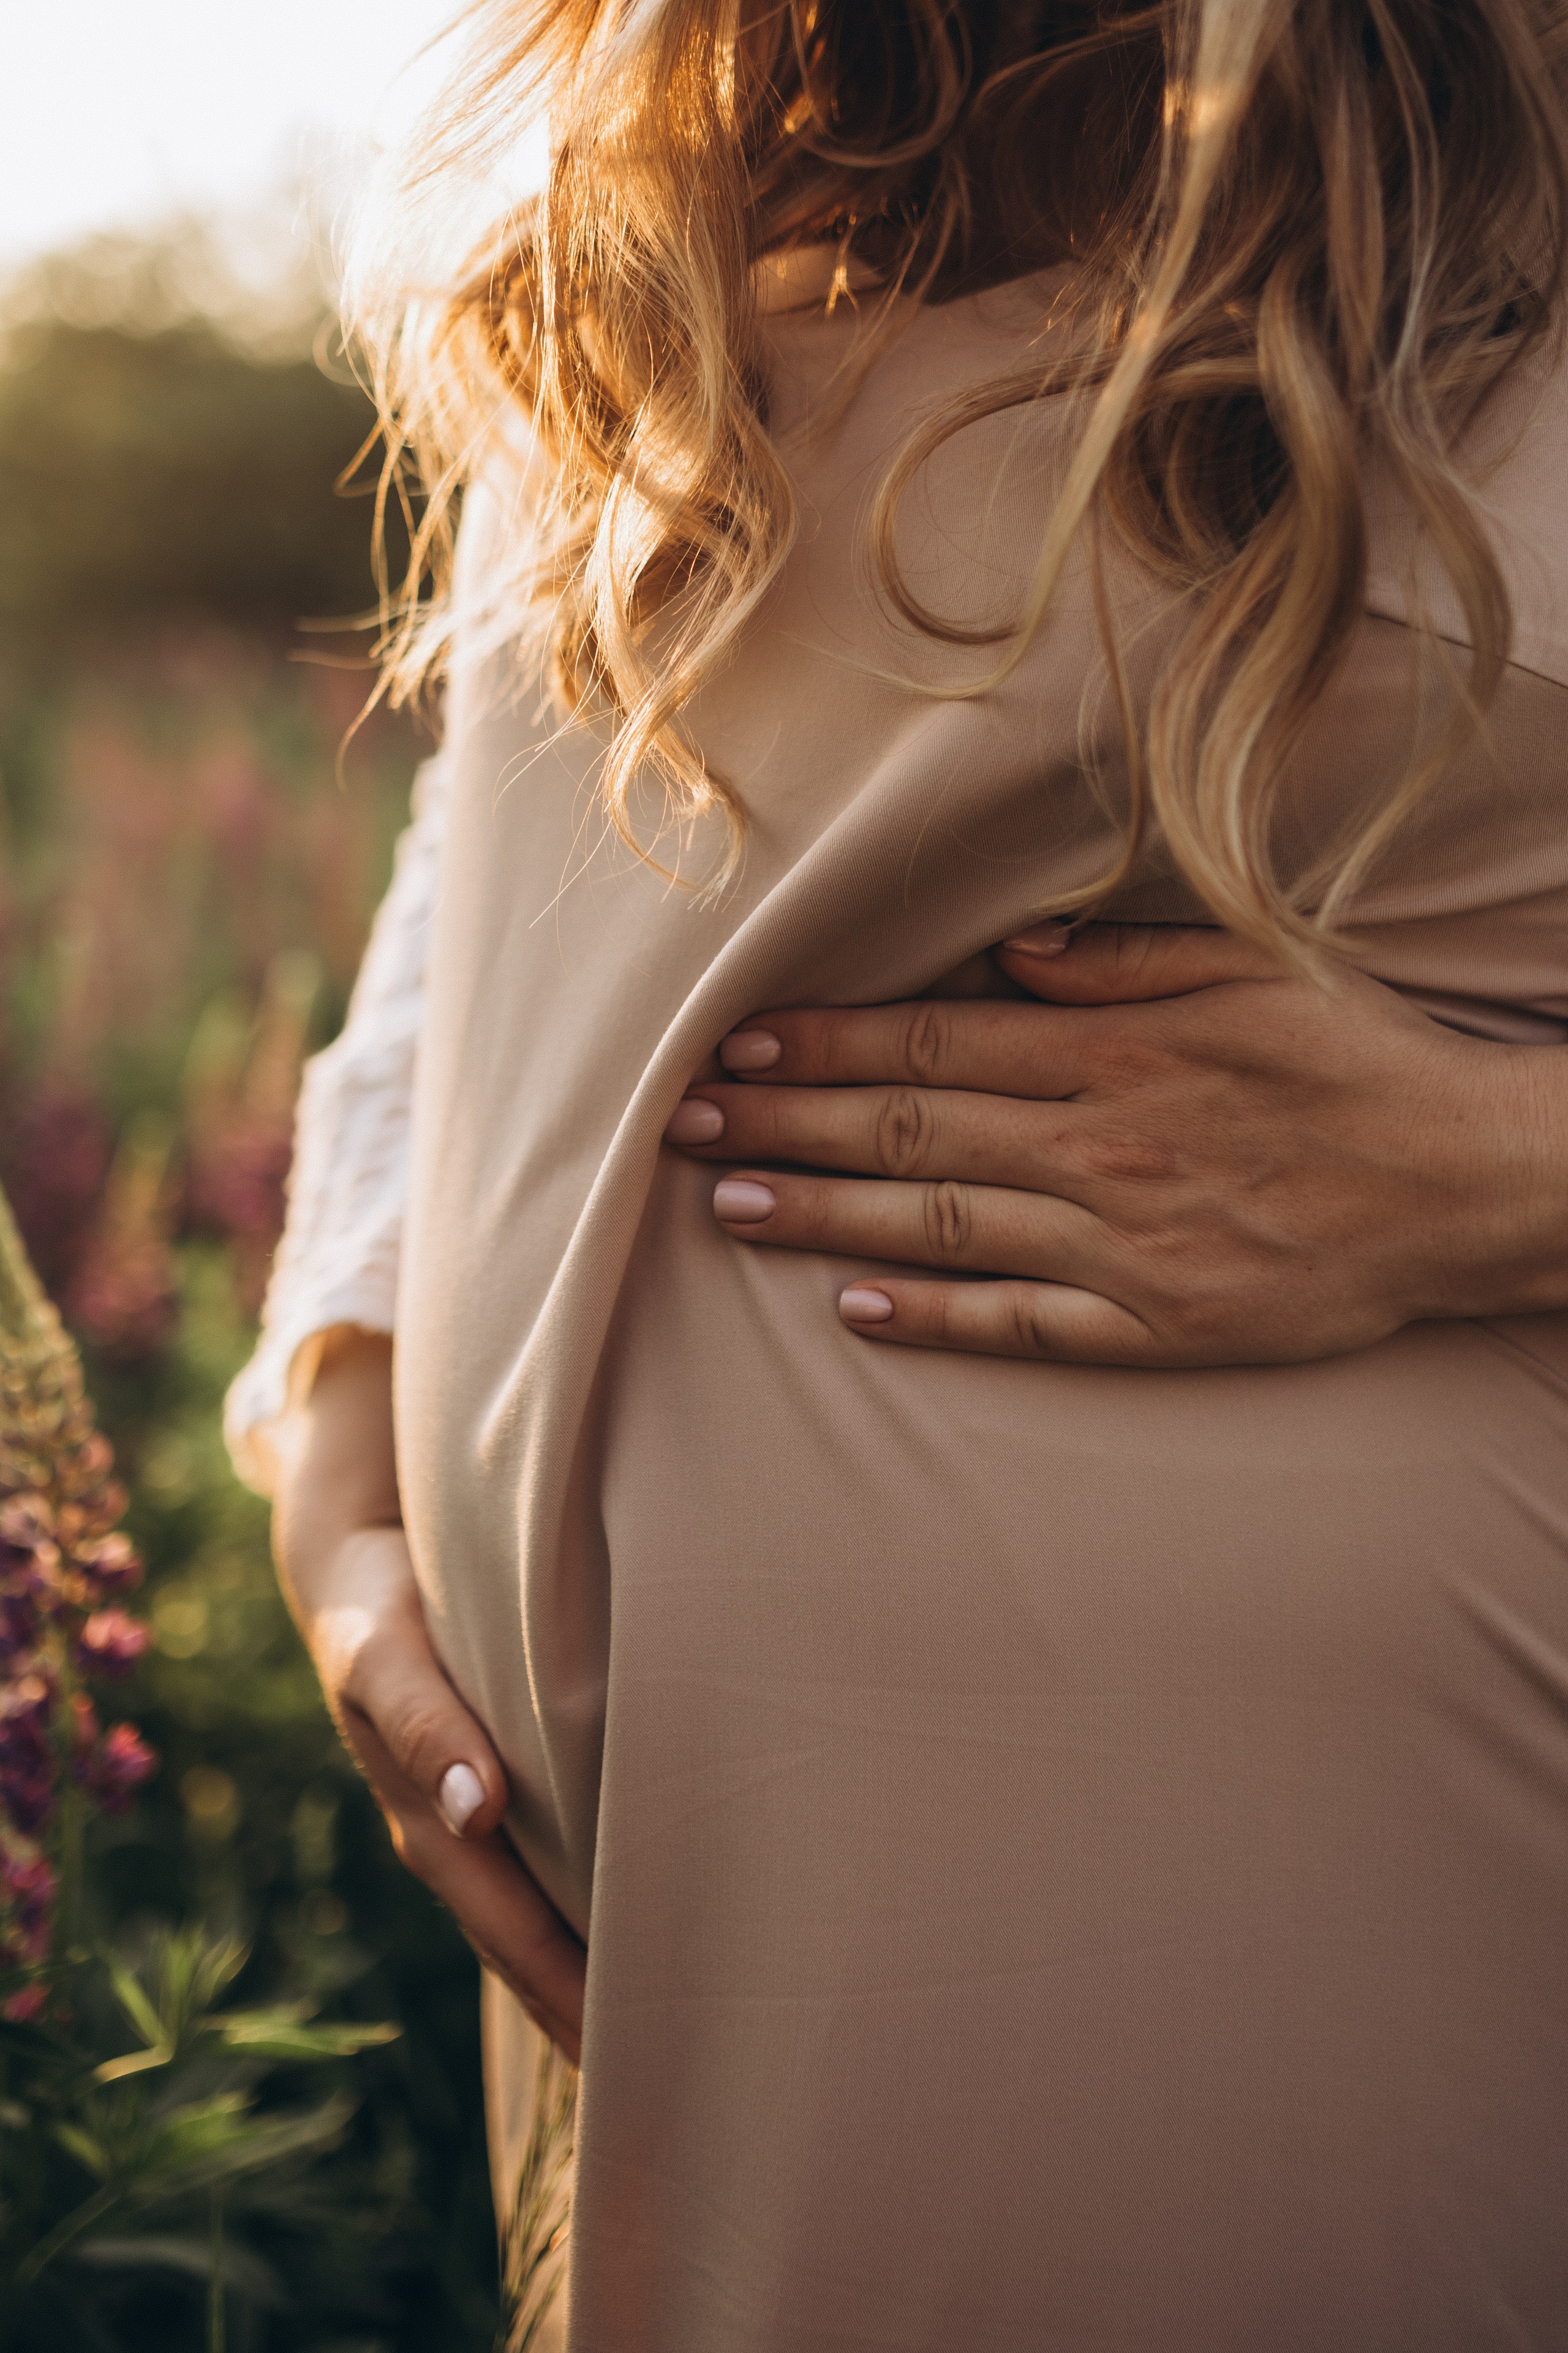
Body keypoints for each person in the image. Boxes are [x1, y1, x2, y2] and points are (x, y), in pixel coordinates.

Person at [232, 3, 1568, 2343]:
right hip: (652, 2002)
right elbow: (501, 828)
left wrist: (1517, 1162)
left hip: (1312, 1985)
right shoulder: (695, 157)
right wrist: (346, 1379)